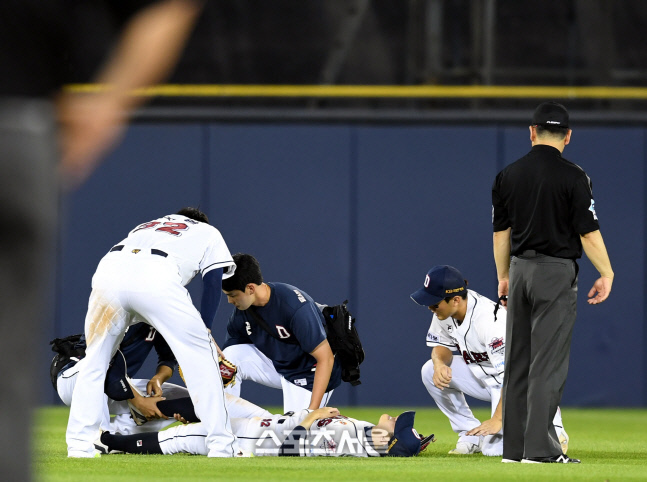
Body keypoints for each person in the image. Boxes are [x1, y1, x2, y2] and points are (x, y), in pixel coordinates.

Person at [0, 0, 203, 477]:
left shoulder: (140, 243)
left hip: (105, 297)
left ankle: (83, 441)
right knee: (9, 362)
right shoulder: (196, 246)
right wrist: (110, 102)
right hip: (21, 128)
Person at [491, 102, 614, 464]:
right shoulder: (574, 176)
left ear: (531, 132)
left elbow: (501, 234)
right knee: (547, 364)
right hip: (555, 272)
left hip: (519, 270)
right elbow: (588, 233)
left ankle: (513, 451)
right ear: (568, 136)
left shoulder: (507, 175)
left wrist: (503, 277)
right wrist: (606, 273)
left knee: (517, 363)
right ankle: (540, 451)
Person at [66, 207, 240, 458]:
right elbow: (213, 280)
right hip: (156, 276)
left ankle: (79, 446)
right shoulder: (207, 231)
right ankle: (222, 446)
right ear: (198, 222)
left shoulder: (147, 225)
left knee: (95, 362)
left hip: (109, 272)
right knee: (201, 359)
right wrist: (205, 328)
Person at [411, 265, 568, 457]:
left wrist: (497, 420)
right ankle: (470, 434)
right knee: (429, 371)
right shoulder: (446, 311)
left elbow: (510, 375)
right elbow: (441, 346)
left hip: (520, 382)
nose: (430, 307)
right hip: (485, 377)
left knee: (494, 451)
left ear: (456, 300)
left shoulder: (489, 322)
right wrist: (439, 364)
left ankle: (551, 421)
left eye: (435, 303)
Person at [53, 323, 271, 437]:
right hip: (76, 377)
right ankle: (97, 435)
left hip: (116, 382)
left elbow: (167, 359)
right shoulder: (126, 313)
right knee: (100, 371)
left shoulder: (156, 318)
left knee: (184, 399)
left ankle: (270, 422)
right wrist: (138, 401)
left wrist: (158, 378)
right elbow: (105, 364)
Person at [221, 253, 342, 413]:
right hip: (280, 364)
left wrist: (311, 413)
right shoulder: (242, 311)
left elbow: (325, 359)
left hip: (309, 372)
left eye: (233, 295)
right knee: (227, 359)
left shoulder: (293, 306)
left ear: (250, 288)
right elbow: (228, 356)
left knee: (295, 432)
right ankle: (223, 421)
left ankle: (347, 431)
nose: (230, 301)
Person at [96, 406, 434, 458]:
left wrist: (312, 416)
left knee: (178, 439)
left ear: (386, 441)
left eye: (396, 426)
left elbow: (289, 448)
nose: (393, 418)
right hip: (261, 420)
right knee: (212, 401)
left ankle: (112, 442)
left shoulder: (347, 442)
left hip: (252, 440)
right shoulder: (361, 431)